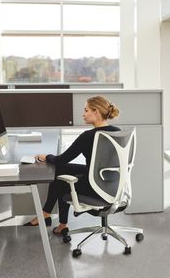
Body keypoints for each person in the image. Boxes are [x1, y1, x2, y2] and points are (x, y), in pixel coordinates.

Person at [24, 95, 120, 236]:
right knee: (61, 170)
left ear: (96, 112)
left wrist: (46, 156)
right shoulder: (118, 132)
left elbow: (61, 159)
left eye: (86, 110)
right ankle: (52, 219)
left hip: (95, 186)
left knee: (61, 180)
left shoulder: (88, 136)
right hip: (113, 184)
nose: (83, 114)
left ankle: (53, 219)